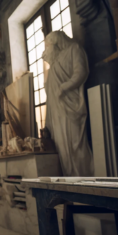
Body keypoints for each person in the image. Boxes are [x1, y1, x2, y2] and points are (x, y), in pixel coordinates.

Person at [42, 31, 94, 176]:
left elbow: (81, 73)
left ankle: (84, 179)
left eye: (48, 46)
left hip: (70, 107)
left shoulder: (74, 49)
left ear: (57, 42)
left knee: (74, 144)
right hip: (57, 111)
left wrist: (63, 87)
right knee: (62, 148)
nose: (45, 52)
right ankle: (70, 179)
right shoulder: (55, 63)